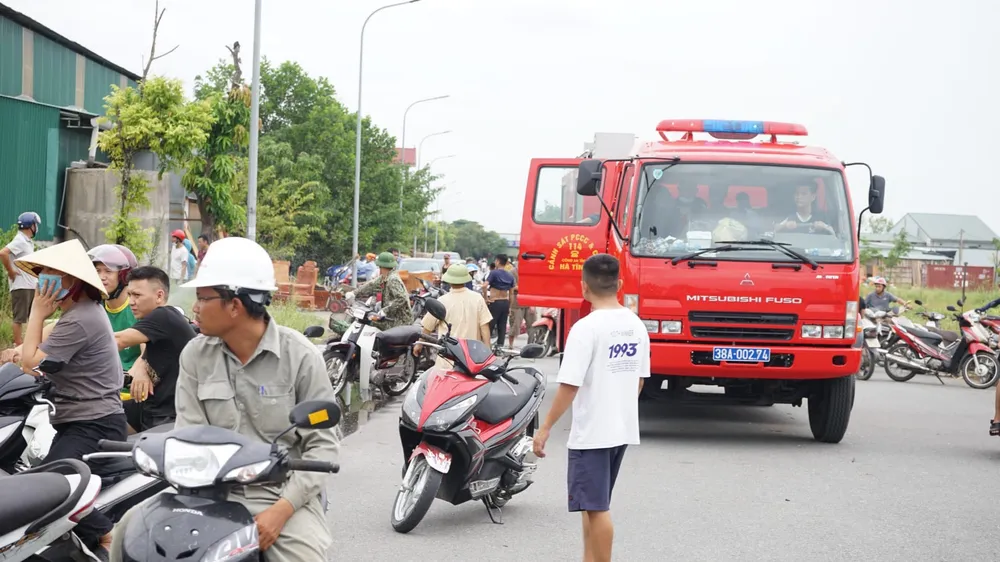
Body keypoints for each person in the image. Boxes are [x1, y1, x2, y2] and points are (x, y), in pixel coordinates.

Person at [109, 237, 339, 562]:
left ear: (235, 305)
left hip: (277, 495)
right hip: (203, 494)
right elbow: (188, 434)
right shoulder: (195, 355)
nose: (195, 308)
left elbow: (323, 446)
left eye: (203, 298)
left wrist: (282, 511)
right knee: (127, 533)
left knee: (301, 557)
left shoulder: (299, 356)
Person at [532, 253, 650, 562]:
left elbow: (569, 385)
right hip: (621, 429)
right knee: (591, 504)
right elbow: (639, 380)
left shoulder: (586, 328)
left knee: (597, 509)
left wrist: (544, 429)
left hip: (593, 432)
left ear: (584, 288)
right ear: (619, 285)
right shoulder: (636, 325)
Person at [14, 238, 125, 557]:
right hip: (80, 421)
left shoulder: (81, 318)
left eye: (51, 273)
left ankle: (106, 534)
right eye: (42, 273)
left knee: (50, 484)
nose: (43, 280)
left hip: (96, 426)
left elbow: (30, 362)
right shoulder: (78, 313)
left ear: (73, 281)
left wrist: (36, 310)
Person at [113, 266, 196, 432]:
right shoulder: (158, 323)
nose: (131, 302)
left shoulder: (164, 315)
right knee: (100, 420)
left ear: (159, 296)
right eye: (129, 295)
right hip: (148, 408)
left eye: (137, 295)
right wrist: (143, 364)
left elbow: (117, 341)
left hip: (168, 417)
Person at [414, 264, 492, 368]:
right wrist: (488, 353)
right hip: (472, 359)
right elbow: (484, 328)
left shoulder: (443, 300)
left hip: (448, 359)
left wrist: (419, 344)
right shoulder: (478, 299)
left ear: (449, 281)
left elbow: (428, 327)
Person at [88, 244, 142, 375]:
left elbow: (147, 353)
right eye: (98, 271)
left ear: (123, 276)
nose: (101, 277)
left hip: (129, 382)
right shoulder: (93, 306)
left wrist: (131, 375)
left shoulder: (137, 309)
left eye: (108, 271)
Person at [339, 252, 413, 331]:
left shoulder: (392, 279)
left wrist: (385, 310)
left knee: (369, 324)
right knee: (369, 321)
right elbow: (371, 285)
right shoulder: (385, 276)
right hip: (391, 318)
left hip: (399, 321)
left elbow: (402, 298)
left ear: (382, 266)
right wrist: (354, 293)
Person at [0, 211, 41, 345]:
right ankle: (18, 345)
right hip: (21, 285)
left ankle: (29, 343)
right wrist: (10, 271)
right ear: (31, 226)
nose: (36, 227)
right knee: (19, 318)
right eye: (35, 224)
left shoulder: (27, 241)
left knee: (31, 317)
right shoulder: (20, 240)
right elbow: (3, 253)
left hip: (29, 285)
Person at [482, 254, 516, 349]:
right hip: (505, 302)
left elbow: (484, 286)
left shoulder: (494, 273)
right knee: (502, 327)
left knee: (490, 326)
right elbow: (511, 294)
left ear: (497, 261)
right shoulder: (510, 275)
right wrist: (509, 307)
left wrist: (485, 298)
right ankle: (499, 347)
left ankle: (486, 347)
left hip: (495, 302)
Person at [507, 261, 536, 349]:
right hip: (516, 302)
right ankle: (510, 345)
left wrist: (533, 304)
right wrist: (525, 288)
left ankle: (530, 345)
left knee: (533, 325)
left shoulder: (530, 272)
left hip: (529, 300)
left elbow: (534, 286)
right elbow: (512, 287)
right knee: (515, 325)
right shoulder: (512, 272)